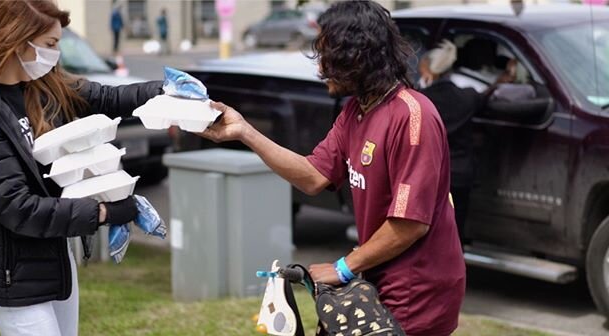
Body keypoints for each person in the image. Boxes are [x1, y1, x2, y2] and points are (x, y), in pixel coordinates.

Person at [199, 1, 466, 335]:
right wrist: (244, 132)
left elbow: (410, 224)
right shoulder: (356, 111)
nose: (320, 67)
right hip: (378, 278)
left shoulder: (414, 117)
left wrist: (342, 268)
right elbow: (313, 176)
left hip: (418, 290)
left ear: (356, 57)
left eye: (327, 56)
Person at [0, 1, 163, 335]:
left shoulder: (42, 83)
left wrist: (169, 92)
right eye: (50, 45)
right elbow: (17, 208)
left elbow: (107, 97)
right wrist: (103, 212)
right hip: (10, 272)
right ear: (16, 42)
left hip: (53, 253)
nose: (56, 54)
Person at [418, 40, 489, 245]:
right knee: (455, 231)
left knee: (427, 233)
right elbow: (488, 97)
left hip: (429, 175)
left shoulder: (421, 99)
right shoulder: (467, 97)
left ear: (427, 68)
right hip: (460, 174)